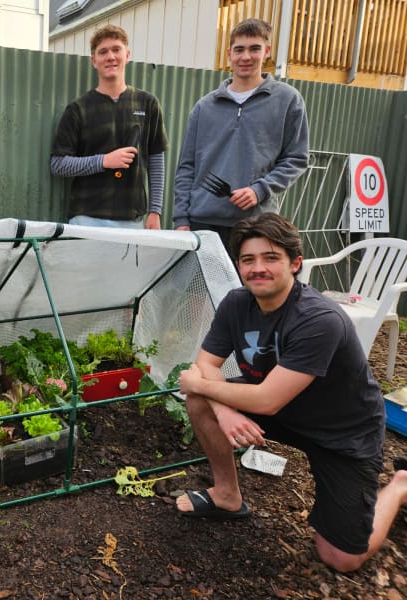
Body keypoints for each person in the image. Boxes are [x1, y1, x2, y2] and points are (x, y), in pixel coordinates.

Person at [175, 212, 407, 573]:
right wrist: (220, 406)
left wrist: (202, 386)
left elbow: (265, 399)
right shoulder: (238, 304)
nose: (258, 268)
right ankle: (226, 496)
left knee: (341, 559)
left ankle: (401, 484)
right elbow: (206, 364)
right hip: (282, 410)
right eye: (248, 260)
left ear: (295, 263)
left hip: (342, 432)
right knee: (201, 401)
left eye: (271, 258)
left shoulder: (319, 319)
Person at [173, 18, 309, 250]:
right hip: (203, 223)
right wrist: (181, 220)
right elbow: (187, 167)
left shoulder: (287, 100)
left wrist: (260, 190)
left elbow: (296, 159)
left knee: (249, 287)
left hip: (256, 224)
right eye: (239, 49)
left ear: (267, 51)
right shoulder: (205, 107)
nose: (246, 57)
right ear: (229, 53)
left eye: (254, 48)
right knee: (200, 288)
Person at [50, 24, 169, 229]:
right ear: (94, 60)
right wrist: (104, 161)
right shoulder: (78, 109)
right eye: (103, 52)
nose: (110, 56)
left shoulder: (147, 103)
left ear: (127, 55)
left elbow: (156, 159)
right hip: (86, 218)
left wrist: (155, 211)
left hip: (133, 220)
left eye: (116, 49)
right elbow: (58, 164)